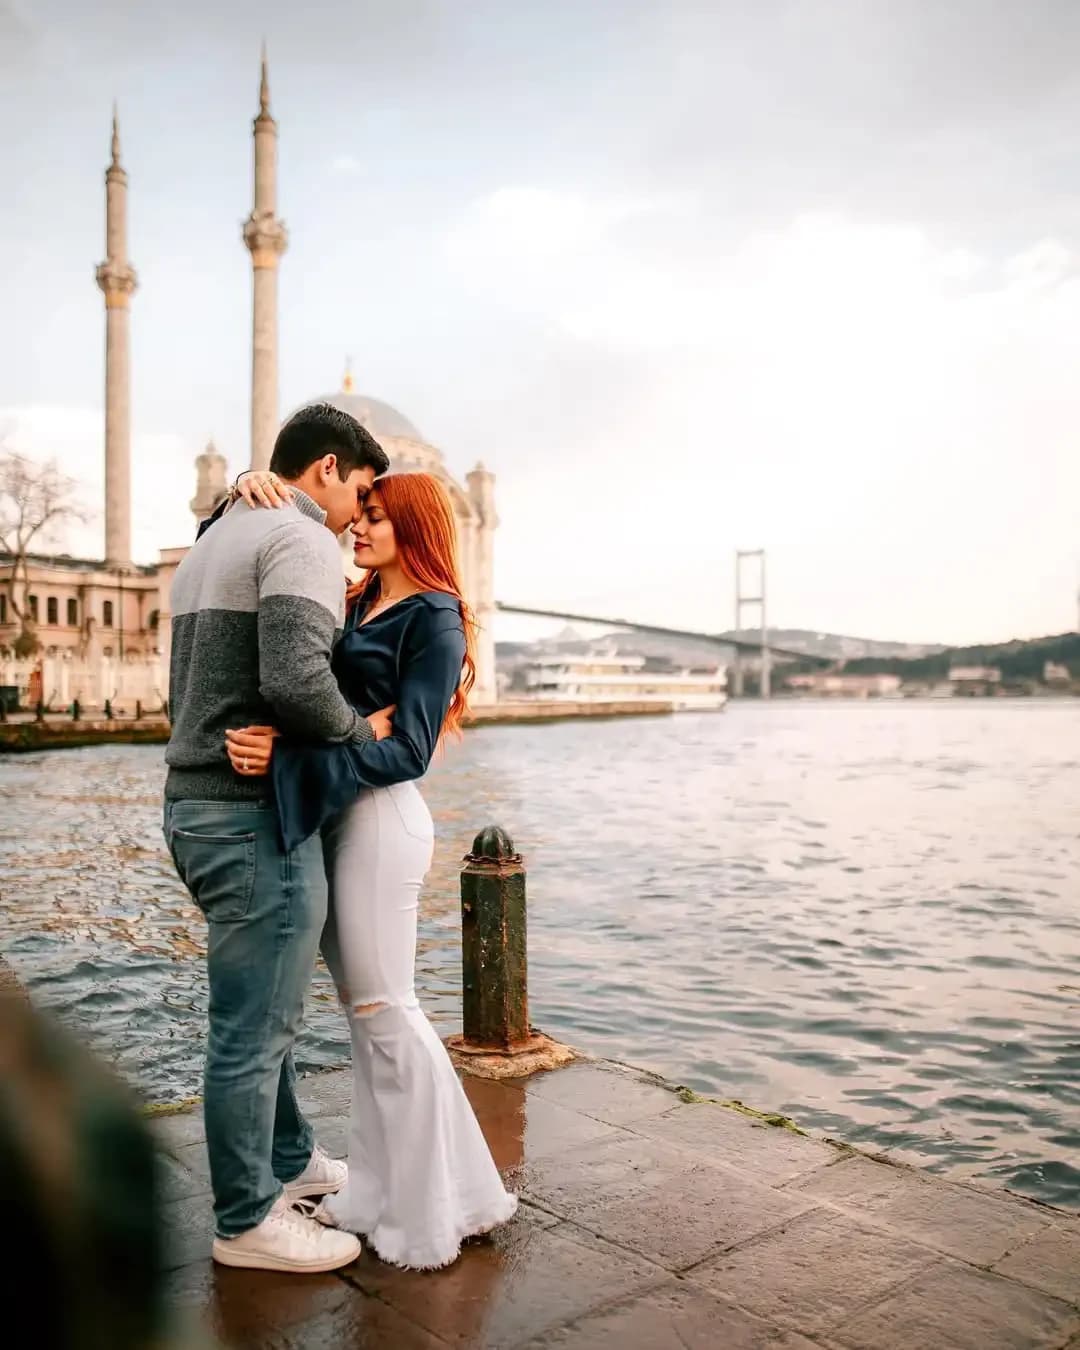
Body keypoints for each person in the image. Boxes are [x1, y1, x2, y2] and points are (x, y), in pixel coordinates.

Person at [224, 469, 518, 1271]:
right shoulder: (359, 601)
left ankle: (434, 1209)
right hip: (336, 817)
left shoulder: (437, 619)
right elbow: (341, 711)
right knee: (368, 1021)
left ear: (417, 529)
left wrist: (299, 750)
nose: (362, 527)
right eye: (365, 515)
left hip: (381, 824)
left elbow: (409, 752)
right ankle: (394, 1190)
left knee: (389, 1011)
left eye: (380, 520)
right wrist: (255, 483)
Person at [163, 403, 392, 1274]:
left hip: (192, 805)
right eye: (358, 492)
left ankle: (289, 1163)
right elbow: (296, 681)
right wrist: (364, 738)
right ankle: (247, 1219)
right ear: (328, 469)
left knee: (263, 1019)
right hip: (251, 814)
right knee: (254, 1031)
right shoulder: (298, 540)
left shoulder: (214, 537)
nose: (356, 514)